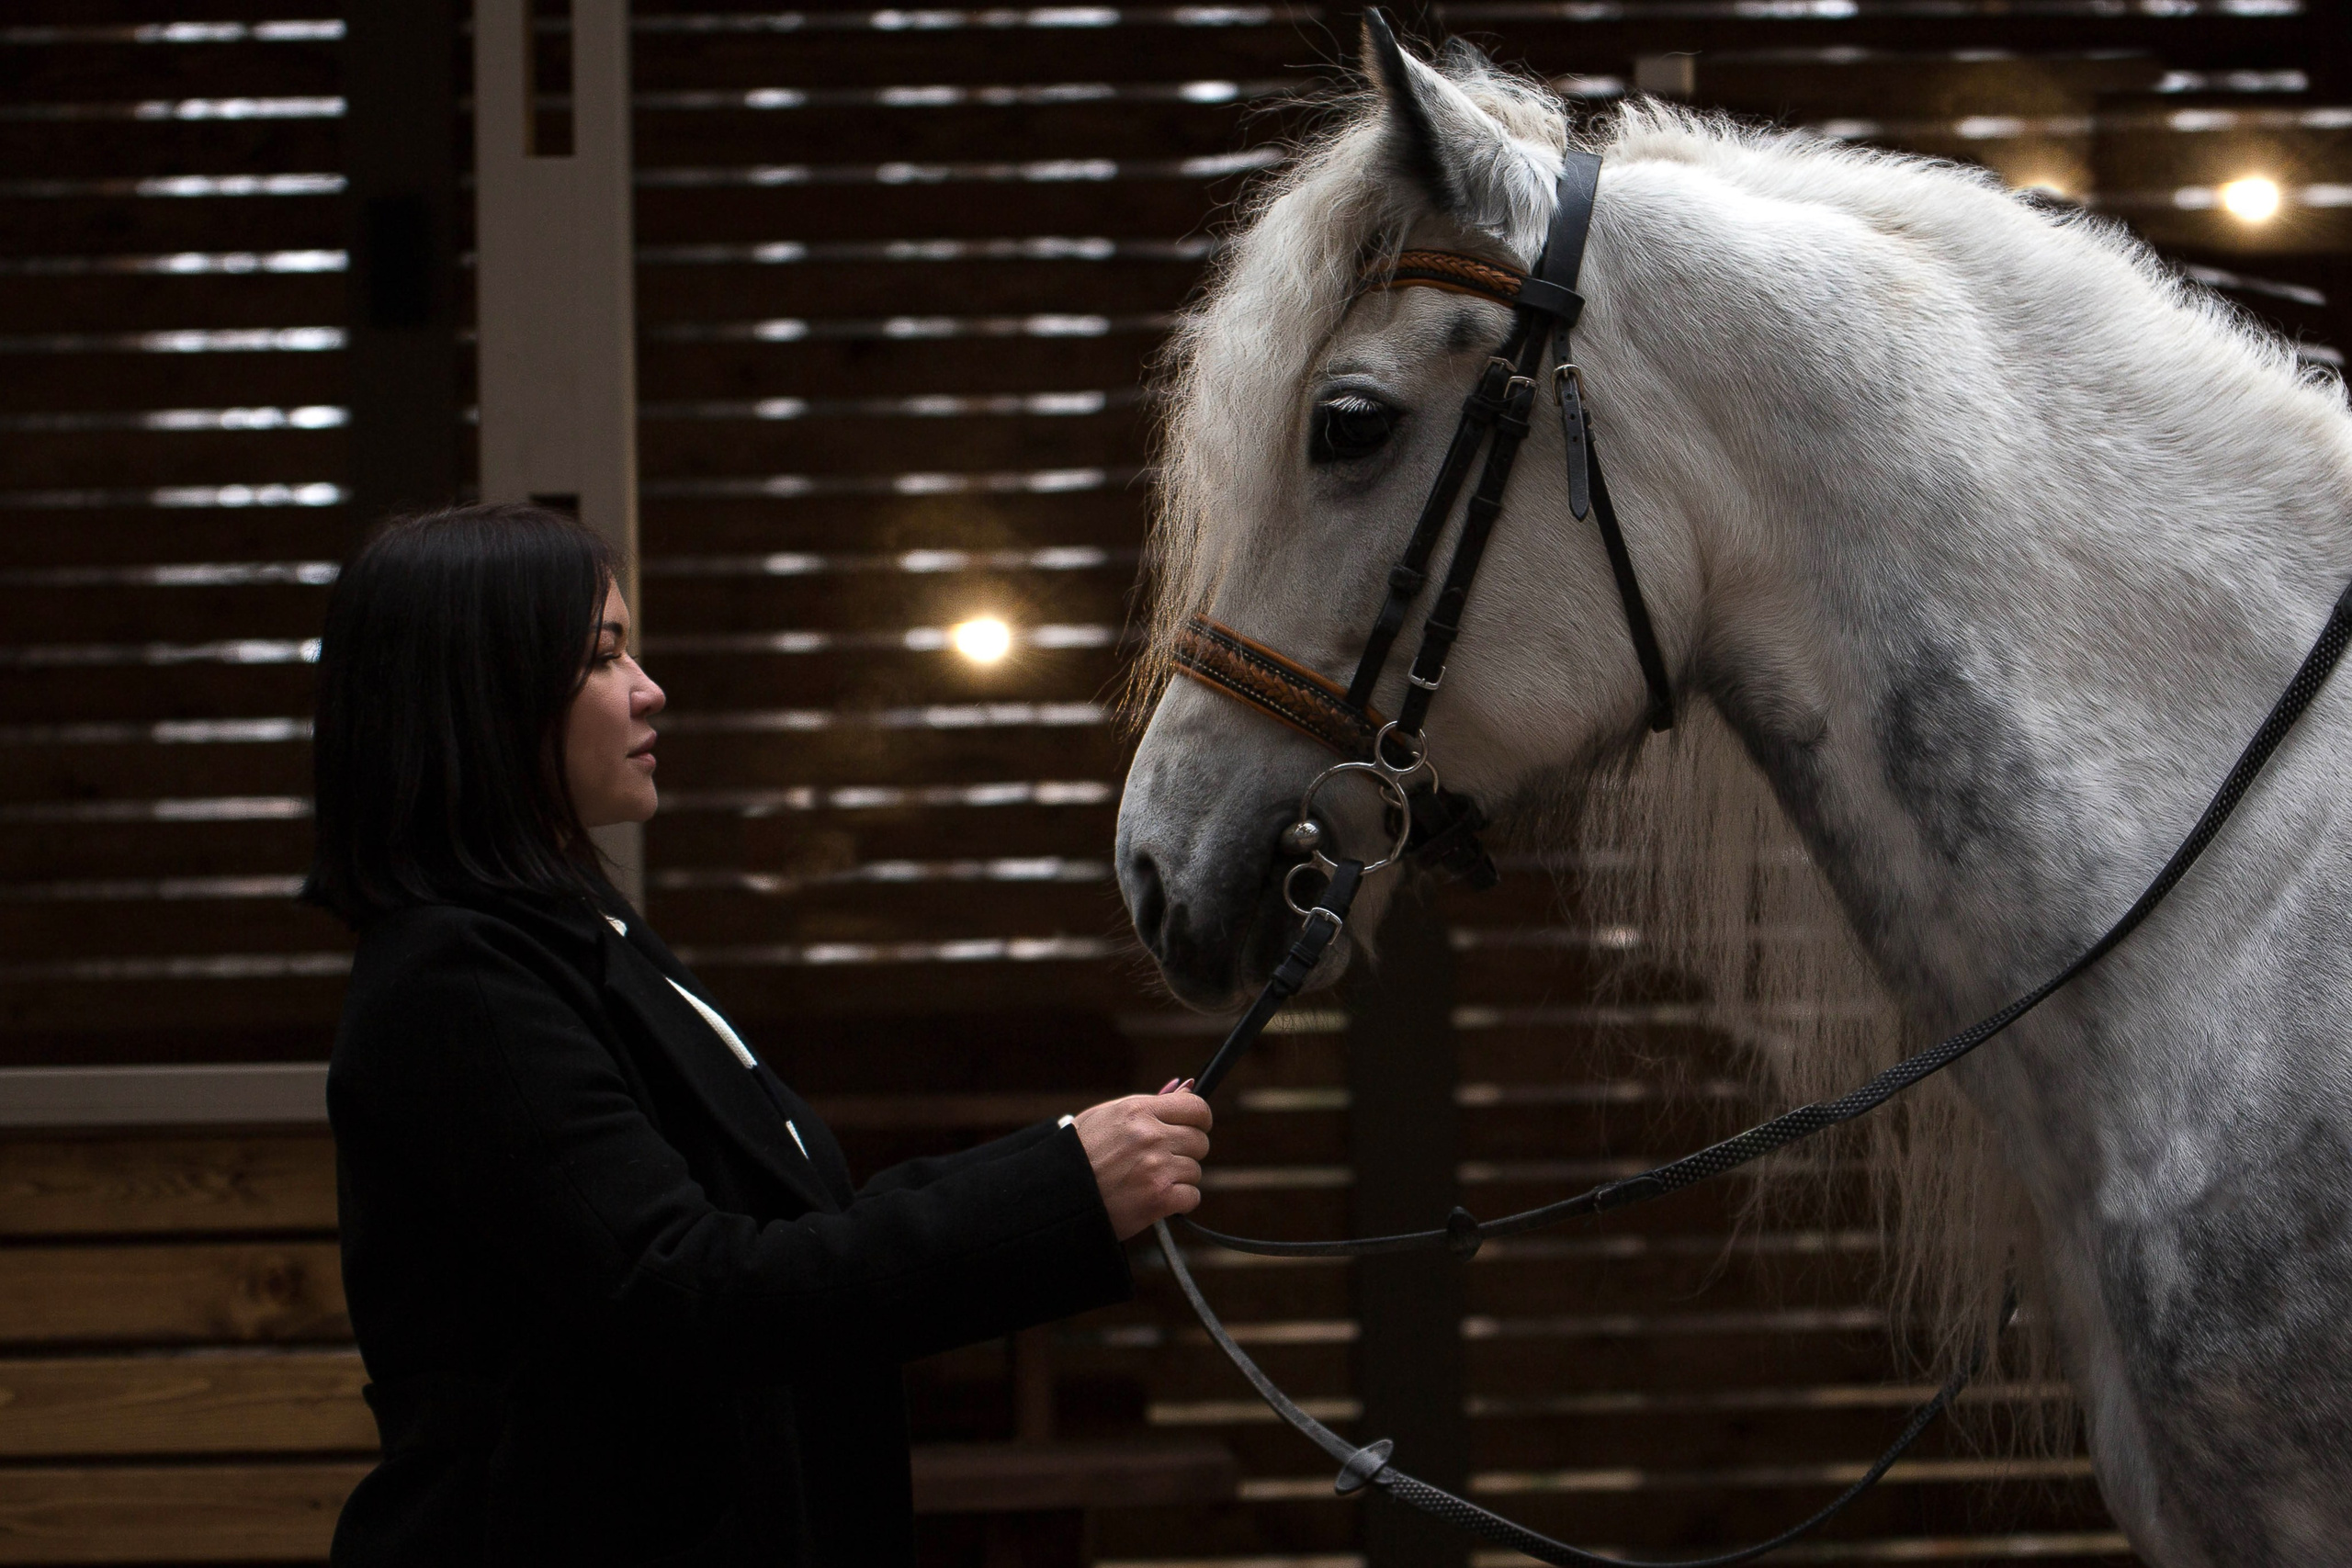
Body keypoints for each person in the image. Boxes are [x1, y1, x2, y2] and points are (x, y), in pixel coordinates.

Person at [305, 502, 1213, 1567]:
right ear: (485, 692)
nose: (649, 688)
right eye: (603, 658)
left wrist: (1064, 1164)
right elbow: (688, 1290)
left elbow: (790, 1224)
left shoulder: (569, 934)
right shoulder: (457, 979)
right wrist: (1062, 1192)